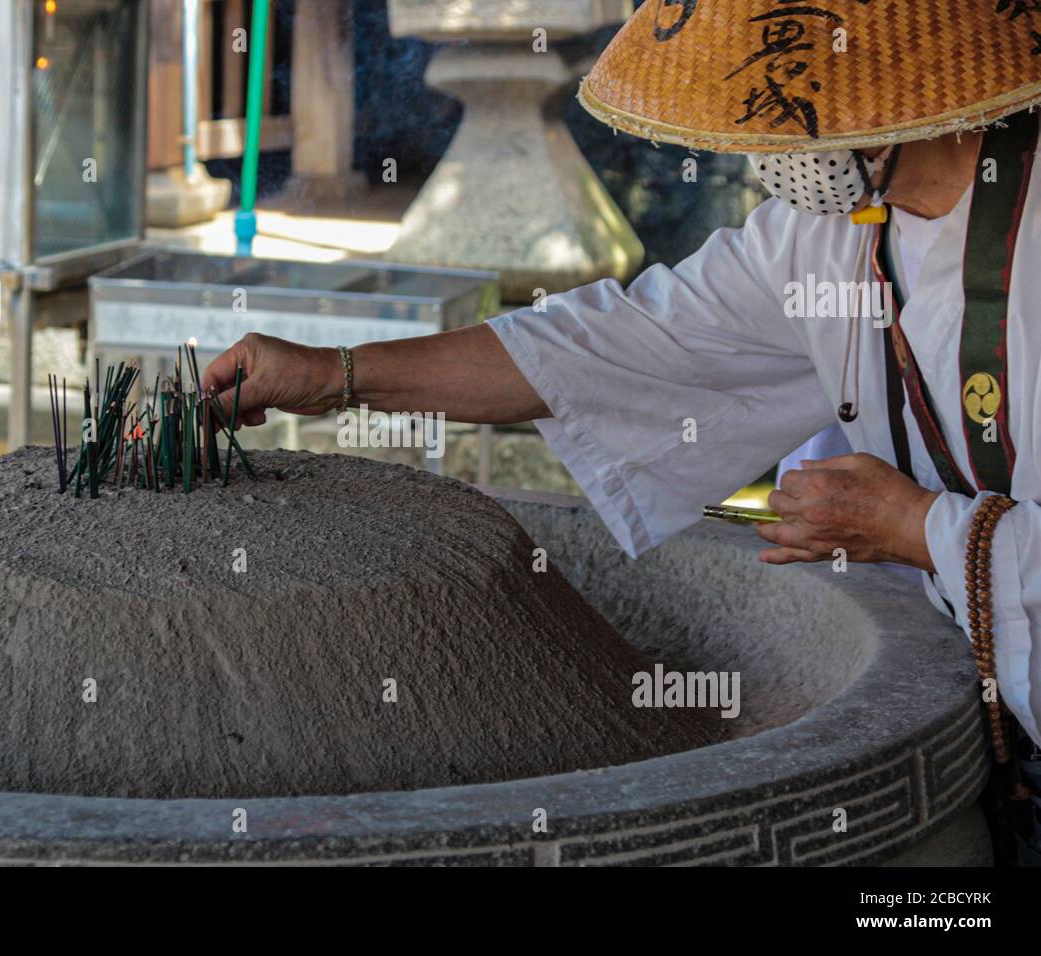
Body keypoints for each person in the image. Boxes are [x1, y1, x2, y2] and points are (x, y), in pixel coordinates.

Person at [201, 2, 1041, 861]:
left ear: (898, 76)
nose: (763, 140)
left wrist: (914, 527)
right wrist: (341, 374)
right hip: (991, 727)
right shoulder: (821, 238)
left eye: (791, 90)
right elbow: (618, 343)